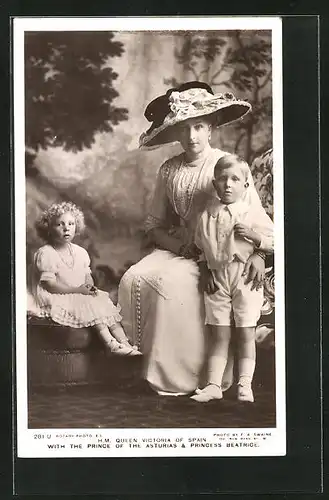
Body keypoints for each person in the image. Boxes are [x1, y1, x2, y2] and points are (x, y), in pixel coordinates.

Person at [118, 81, 267, 394]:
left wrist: (258, 254)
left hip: (221, 254)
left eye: (198, 127)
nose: (191, 136)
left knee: (168, 283)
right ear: (175, 132)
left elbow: (255, 217)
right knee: (135, 277)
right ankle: (141, 368)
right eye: (184, 128)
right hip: (181, 246)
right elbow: (154, 225)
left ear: (210, 127)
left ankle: (185, 376)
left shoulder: (226, 165)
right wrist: (178, 246)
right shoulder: (169, 170)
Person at [191, 154, 274, 403]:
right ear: (215, 183)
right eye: (222, 179)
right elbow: (200, 249)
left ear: (245, 185)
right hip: (218, 277)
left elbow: (275, 242)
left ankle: (244, 385)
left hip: (245, 277)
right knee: (219, 333)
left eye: (235, 179)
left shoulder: (252, 213)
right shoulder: (206, 216)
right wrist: (205, 271)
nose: (228, 184)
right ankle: (214, 385)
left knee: (246, 331)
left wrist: (255, 238)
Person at [32, 201, 141, 356]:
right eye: (59, 224)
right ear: (48, 228)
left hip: (78, 291)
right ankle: (111, 343)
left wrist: (89, 287)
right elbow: (50, 286)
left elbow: (87, 275)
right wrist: (78, 290)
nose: (66, 228)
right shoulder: (46, 253)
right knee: (88, 303)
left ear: (77, 226)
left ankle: (125, 343)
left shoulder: (80, 252)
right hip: (56, 294)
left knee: (102, 301)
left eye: (71, 223)